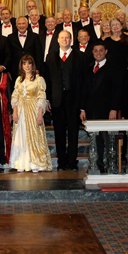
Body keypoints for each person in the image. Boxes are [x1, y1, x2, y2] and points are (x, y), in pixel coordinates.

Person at [45, 30, 84, 171]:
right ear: (58, 40)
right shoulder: (51, 57)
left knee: (73, 132)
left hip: (73, 100)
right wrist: (47, 99)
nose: (65, 40)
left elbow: (83, 81)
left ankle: (72, 161)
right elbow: (47, 81)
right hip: (56, 100)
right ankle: (62, 162)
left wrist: (82, 105)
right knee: (59, 132)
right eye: (62, 38)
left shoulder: (79, 56)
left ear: (71, 40)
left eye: (67, 38)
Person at [80, 43, 122, 172]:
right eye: (96, 51)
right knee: (95, 139)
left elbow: (116, 90)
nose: (98, 53)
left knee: (108, 139)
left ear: (106, 51)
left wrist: (114, 108)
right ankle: (97, 165)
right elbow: (84, 90)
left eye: (101, 51)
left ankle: (111, 165)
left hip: (107, 110)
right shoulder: (88, 68)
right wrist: (82, 109)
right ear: (92, 52)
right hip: (91, 110)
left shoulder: (113, 68)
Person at [9, 55, 51, 172]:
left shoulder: (39, 79)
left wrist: (39, 115)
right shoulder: (19, 80)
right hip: (21, 110)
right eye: (24, 64)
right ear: (21, 66)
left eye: (29, 63)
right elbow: (15, 96)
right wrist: (15, 112)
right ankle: (21, 163)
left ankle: (35, 163)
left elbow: (41, 98)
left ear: (33, 65)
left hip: (33, 110)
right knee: (21, 136)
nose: (27, 66)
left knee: (34, 136)